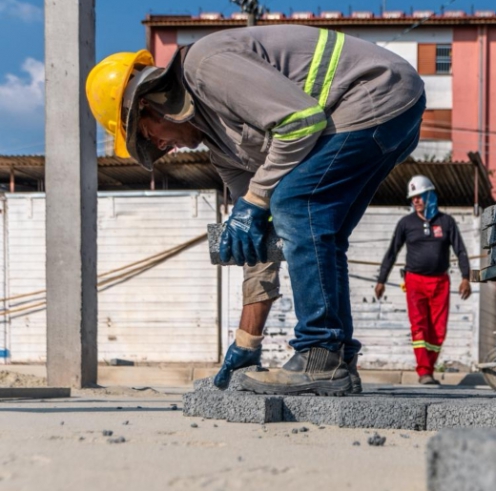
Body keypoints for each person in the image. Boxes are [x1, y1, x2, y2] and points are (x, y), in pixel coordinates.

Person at [86, 25, 425, 396]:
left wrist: (256, 200)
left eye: (147, 135)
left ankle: (319, 354)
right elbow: (261, 242)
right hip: (388, 110)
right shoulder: (223, 150)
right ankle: (337, 359)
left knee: (295, 202)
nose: (161, 147)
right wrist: (248, 341)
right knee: (323, 234)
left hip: (376, 91)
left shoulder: (205, 66)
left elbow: (300, 122)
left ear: (149, 104)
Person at [374, 176, 472, 384]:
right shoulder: (406, 223)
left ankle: (429, 367)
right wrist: (381, 280)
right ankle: (424, 371)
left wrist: (465, 277)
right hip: (414, 281)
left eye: (420, 196)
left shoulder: (446, 222)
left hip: (440, 283)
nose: (416, 200)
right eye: (413, 197)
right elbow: (392, 252)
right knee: (419, 325)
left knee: (438, 329)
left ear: (430, 196)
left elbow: (461, 250)